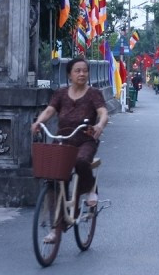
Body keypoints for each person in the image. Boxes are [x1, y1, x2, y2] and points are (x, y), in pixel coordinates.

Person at [32, 57, 109, 243]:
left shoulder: (94, 94)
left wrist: (99, 125)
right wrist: (38, 122)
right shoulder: (60, 94)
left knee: (81, 161)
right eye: (77, 71)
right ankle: (55, 228)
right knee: (53, 179)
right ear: (69, 75)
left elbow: (103, 113)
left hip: (86, 140)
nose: (82, 74)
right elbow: (49, 110)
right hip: (63, 139)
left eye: (85, 70)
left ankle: (90, 189)